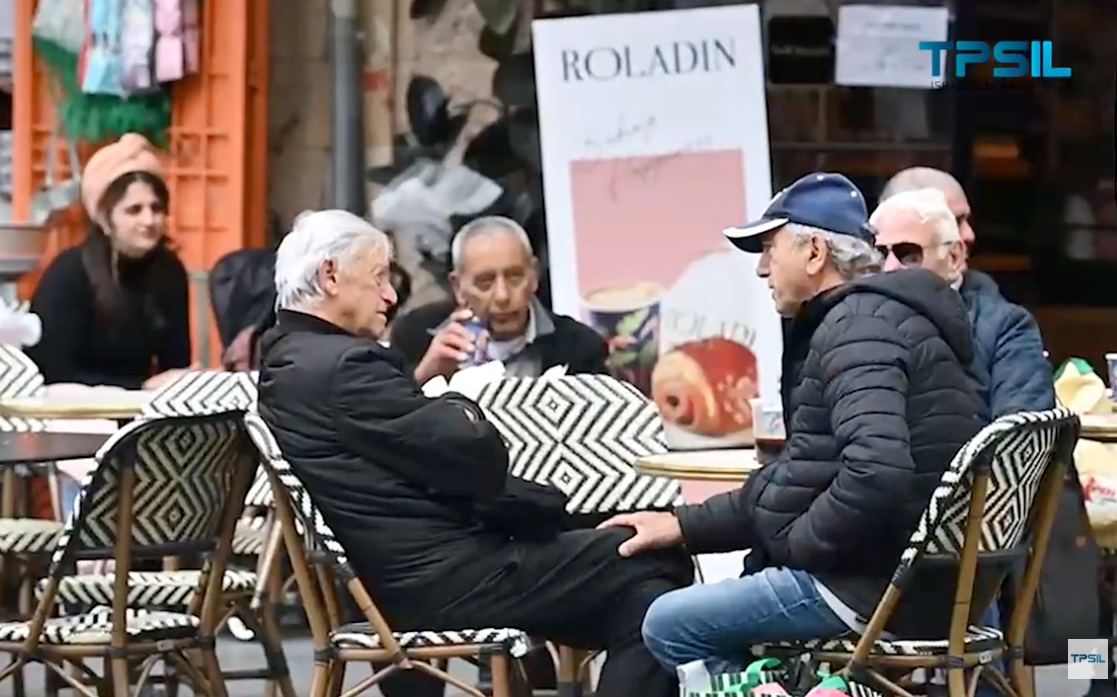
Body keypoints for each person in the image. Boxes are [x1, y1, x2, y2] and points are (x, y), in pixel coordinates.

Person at [256, 210, 692, 697]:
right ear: (329, 276)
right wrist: (459, 399)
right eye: (379, 277)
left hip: (408, 573)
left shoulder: (288, 357)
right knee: (657, 554)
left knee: (649, 599)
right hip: (444, 579)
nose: (390, 295)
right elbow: (476, 452)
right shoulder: (344, 367)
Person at [596, 173, 987, 673]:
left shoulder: (856, 329)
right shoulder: (879, 319)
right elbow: (799, 477)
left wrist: (800, 546)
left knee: (669, 623)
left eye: (768, 249)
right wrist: (681, 525)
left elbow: (877, 471)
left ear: (814, 252)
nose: (762, 269)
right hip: (926, 584)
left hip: (877, 589)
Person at [27, 133, 193, 390]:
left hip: (141, 412)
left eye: (156, 208)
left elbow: (174, 363)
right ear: (104, 219)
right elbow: (51, 374)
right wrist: (139, 387)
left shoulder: (169, 271)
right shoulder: (69, 274)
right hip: (72, 415)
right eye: (134, 210)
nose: (149, 220)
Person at [870, 188, 1054, 417]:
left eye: (909, 254)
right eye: (878, 253)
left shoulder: (1006, 327)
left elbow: (1021, 435)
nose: (889, 267)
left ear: (954, 257)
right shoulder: (850, 324)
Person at [390, 215, 607, 382]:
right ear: (458, 286)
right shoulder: (415, 336)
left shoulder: (579, 346)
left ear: (533, 275)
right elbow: (387, 427)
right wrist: (424, 376)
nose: (502, 296)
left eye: (514, 278)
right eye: (485, 283)